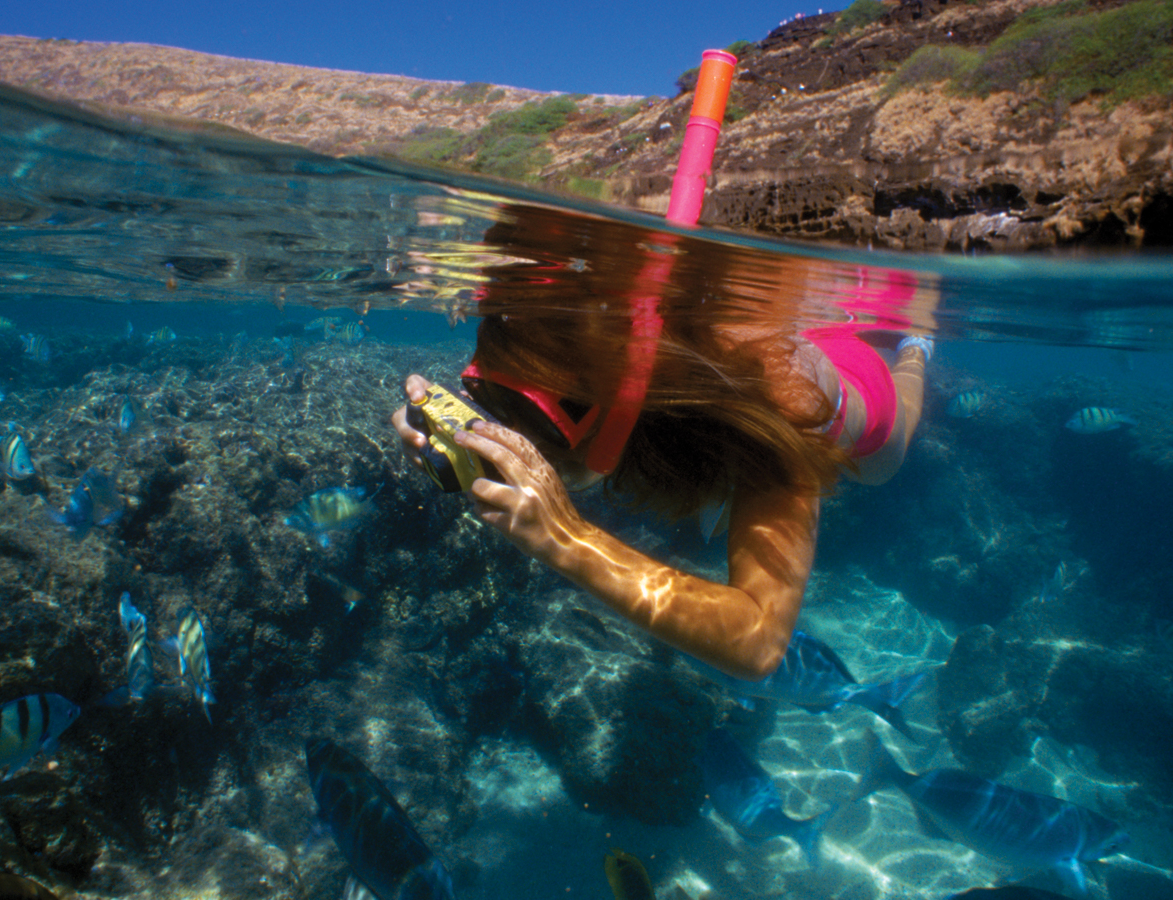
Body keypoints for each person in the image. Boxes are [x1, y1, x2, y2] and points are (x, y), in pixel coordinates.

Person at [392, 203, 934, 682]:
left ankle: (915, 345)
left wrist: (566, 537)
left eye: (538, 416)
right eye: (497, 397)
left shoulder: (779, 402)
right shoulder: (609, 375)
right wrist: (476, 451)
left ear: (622, 398)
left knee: (892, 445)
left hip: (851, 398)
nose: (527, 433)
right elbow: (577, 459)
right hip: (742, 353)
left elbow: (760, 640)